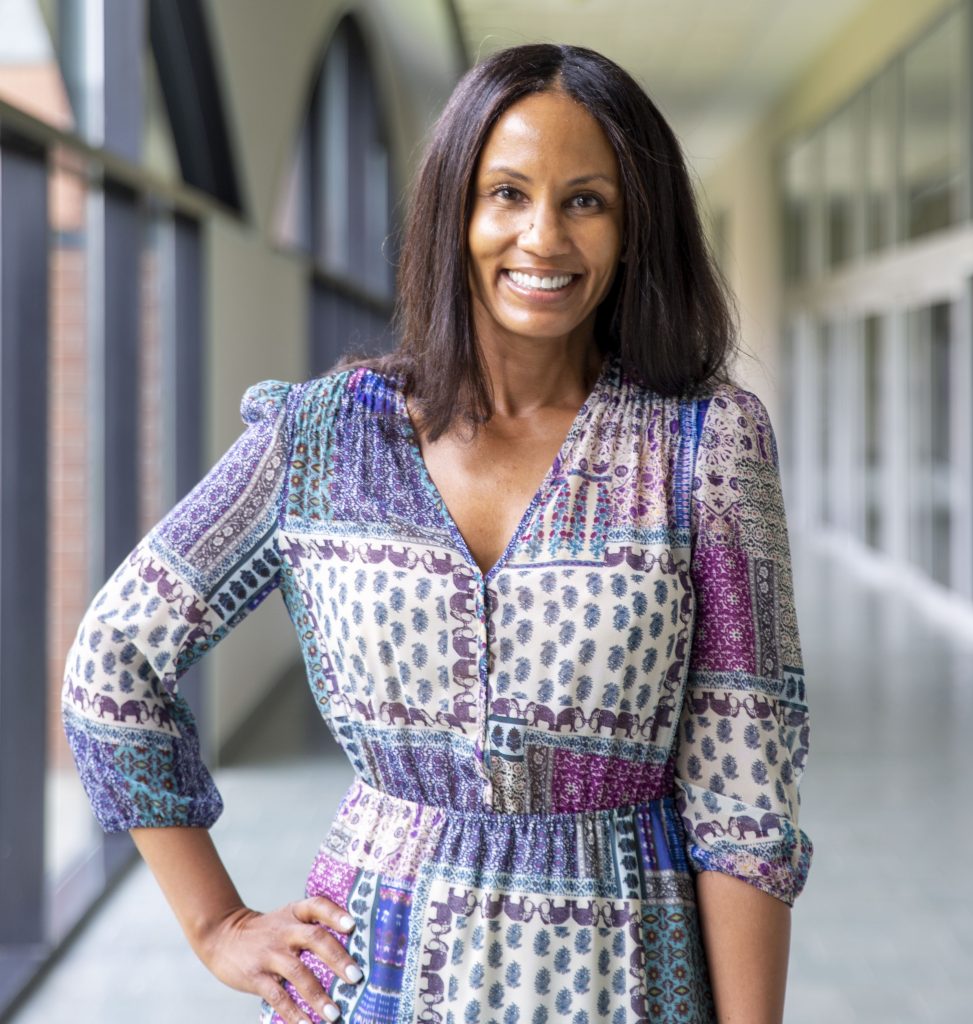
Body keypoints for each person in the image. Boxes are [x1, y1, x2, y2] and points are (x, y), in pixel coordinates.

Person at [62, 42, 811, 1024]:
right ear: (453, 210)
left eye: (586, 200)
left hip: (626, 981)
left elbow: (744, 794)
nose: (542, 236)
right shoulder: (322, 439)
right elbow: (114, 660)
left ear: (634, 229)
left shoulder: (700, 445)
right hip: (373, 977)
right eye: (507, 192)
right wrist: (215, 923)